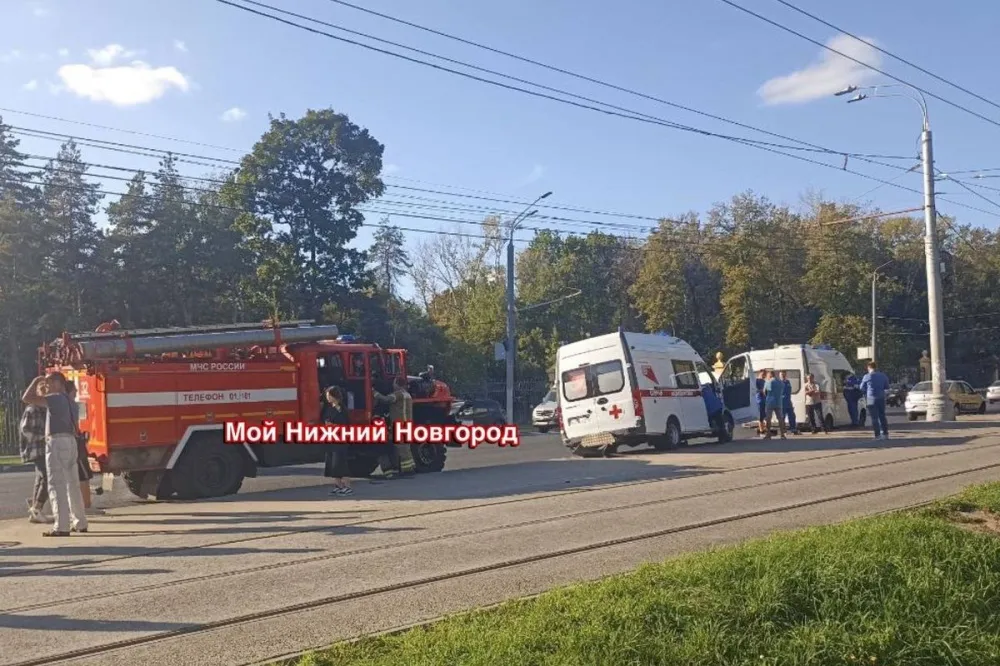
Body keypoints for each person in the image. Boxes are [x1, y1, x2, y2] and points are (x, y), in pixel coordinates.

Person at [22, 373, 88, 537]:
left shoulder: (56, 398)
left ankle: (61, 526)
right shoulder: (71, 402)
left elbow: (27, 398)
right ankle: (80, 522)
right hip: (71, 441)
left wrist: (35, 381)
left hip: (57, 441)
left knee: (56, 484)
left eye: (49, 382)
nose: (48, 386)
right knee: (73, 484)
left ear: (58, 383)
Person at [374, 376, 416, 477]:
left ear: (397, 384)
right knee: (405, 448)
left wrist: (375, 393)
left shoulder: (398, 395)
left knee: (402, 448)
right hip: (406, 423)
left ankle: (407, 471)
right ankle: (410, 468)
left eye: (394, 383)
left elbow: (386, 399)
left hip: (400, 424)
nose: (392, 385)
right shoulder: (407, 394)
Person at [19, 402, 50, 524]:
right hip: (36, 449)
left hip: (42, 449)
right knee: (48, 477)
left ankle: (35, 511)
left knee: (40, 478)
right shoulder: (32, 409)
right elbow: (25, 430)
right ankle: (37, 509)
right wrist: (43, 436)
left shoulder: (44, 408)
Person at [321, 386, 353, 495]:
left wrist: (333, 425)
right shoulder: (329, 408)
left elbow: (344, 424)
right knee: (333, 464)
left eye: (329, 395)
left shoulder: (341, 409)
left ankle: (347, 486)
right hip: (331, 439)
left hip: (340, 439)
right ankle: (338, 485)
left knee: (340, 463)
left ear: (334, 396)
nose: (327, 397)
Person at [66, 382, 94, 509]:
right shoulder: (71, 405)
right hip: (75, 444)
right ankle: (86, 505)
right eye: (74, 390)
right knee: (83, 475)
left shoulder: (58, 405)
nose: (76, 392)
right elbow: (75, 427)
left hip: (66, 444)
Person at [860, 361, 891, 440]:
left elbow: (861, 388)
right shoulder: (883, 376)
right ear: (875, 367)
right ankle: (885, 434)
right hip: (881, 397)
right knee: (882, 416)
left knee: (874, 418)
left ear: (869, 367)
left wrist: (866, 391)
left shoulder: (867, 376)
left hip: (871, 399)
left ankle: (877, 435)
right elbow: (887, 387)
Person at [763, 370, 786, 440]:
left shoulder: (768, 382)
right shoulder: (781, 382)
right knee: (780, 418)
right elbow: (782, 391)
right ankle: (782, 434)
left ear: (769, 375)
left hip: (770, 402)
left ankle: (768, 434)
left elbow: (765, 392)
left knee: (768, 418)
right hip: (779, 402)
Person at [779, 370, 799, 435]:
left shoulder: (787, 382)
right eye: (782, 375)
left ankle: (793, 429)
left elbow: (789, 392)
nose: (783, 376)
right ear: (780, 376)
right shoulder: (778, 383)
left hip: (788, 402)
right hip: (782, 402)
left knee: (792, 416)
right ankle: (783, 430)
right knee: (782, 416)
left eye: (784, 375)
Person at [755, 369, 768, 438]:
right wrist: (762, 391)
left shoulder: (764, 381)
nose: (764, 375)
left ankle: (765, 430)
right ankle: (761, 431)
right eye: (763, 374)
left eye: (765, 374)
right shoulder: (756, 380)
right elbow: (755, 389)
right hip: (759, 400)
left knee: (764, 415)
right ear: (760, 373)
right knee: (760, 417)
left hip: (764, 400)